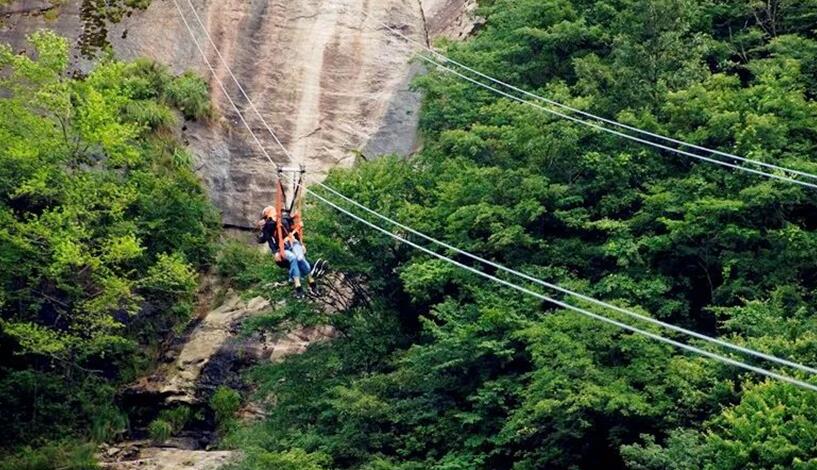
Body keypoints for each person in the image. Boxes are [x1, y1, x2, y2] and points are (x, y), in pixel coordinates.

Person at [256, 206, 323, 298]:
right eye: (269, 210)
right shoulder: (268, 225)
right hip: (282, 249)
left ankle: (312, 282)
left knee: (300, 258)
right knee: (293, 258)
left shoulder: (285, 218)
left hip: (293, 242)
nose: (273, 210)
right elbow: (269, 240)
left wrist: (301, 243)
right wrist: (275, 252)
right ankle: (298, 287)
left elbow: (293, 231)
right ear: (267, 214)